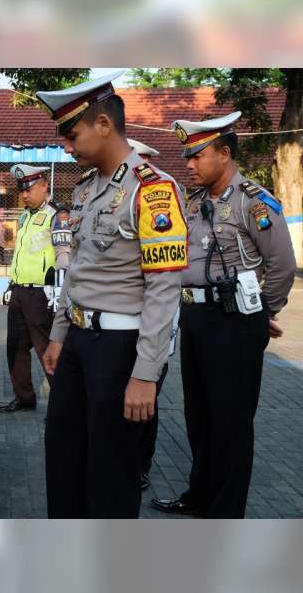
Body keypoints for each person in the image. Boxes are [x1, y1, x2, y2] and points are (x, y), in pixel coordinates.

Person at [38, 71, 187, 518]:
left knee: (111, 472)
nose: (66, 146)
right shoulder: (86, 190)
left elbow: (164, 290)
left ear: (103, 124)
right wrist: (60, 334)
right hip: (80, 343)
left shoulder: (153, 190)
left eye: (71, 134)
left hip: (122, 351)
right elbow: (78, 270)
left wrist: (146, 374)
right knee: (62, 458)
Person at [151, 111, 296, 518]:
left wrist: (260, 313)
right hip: (195, 320)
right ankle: (200, 496)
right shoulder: (195, 202)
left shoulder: (254, 201)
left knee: (230, 421)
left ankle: (225, 513)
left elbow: (282, 265)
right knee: (198, 415)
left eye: (197, 156)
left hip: (235, 324)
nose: (190, 164)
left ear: (225, 153)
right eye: (187, 157)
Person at [0, 164, 71, 413]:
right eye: (22, 191)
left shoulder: (57, 215)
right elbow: (21, 254)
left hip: (43, 294)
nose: (24, 195)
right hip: (20, 292)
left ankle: (64, 405)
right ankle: (24, 398)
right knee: (15, 347)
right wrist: (11, 284)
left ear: (43, 186)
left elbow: (64, 256)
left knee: (47, 349)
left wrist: (60, 293)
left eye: (29, 189)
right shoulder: (24, 216)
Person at [128, 137, 172, 492]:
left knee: (145, 403)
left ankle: (140, 465)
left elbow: (164, 282)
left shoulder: (160, 196)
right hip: (123, 329)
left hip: (154, 329)